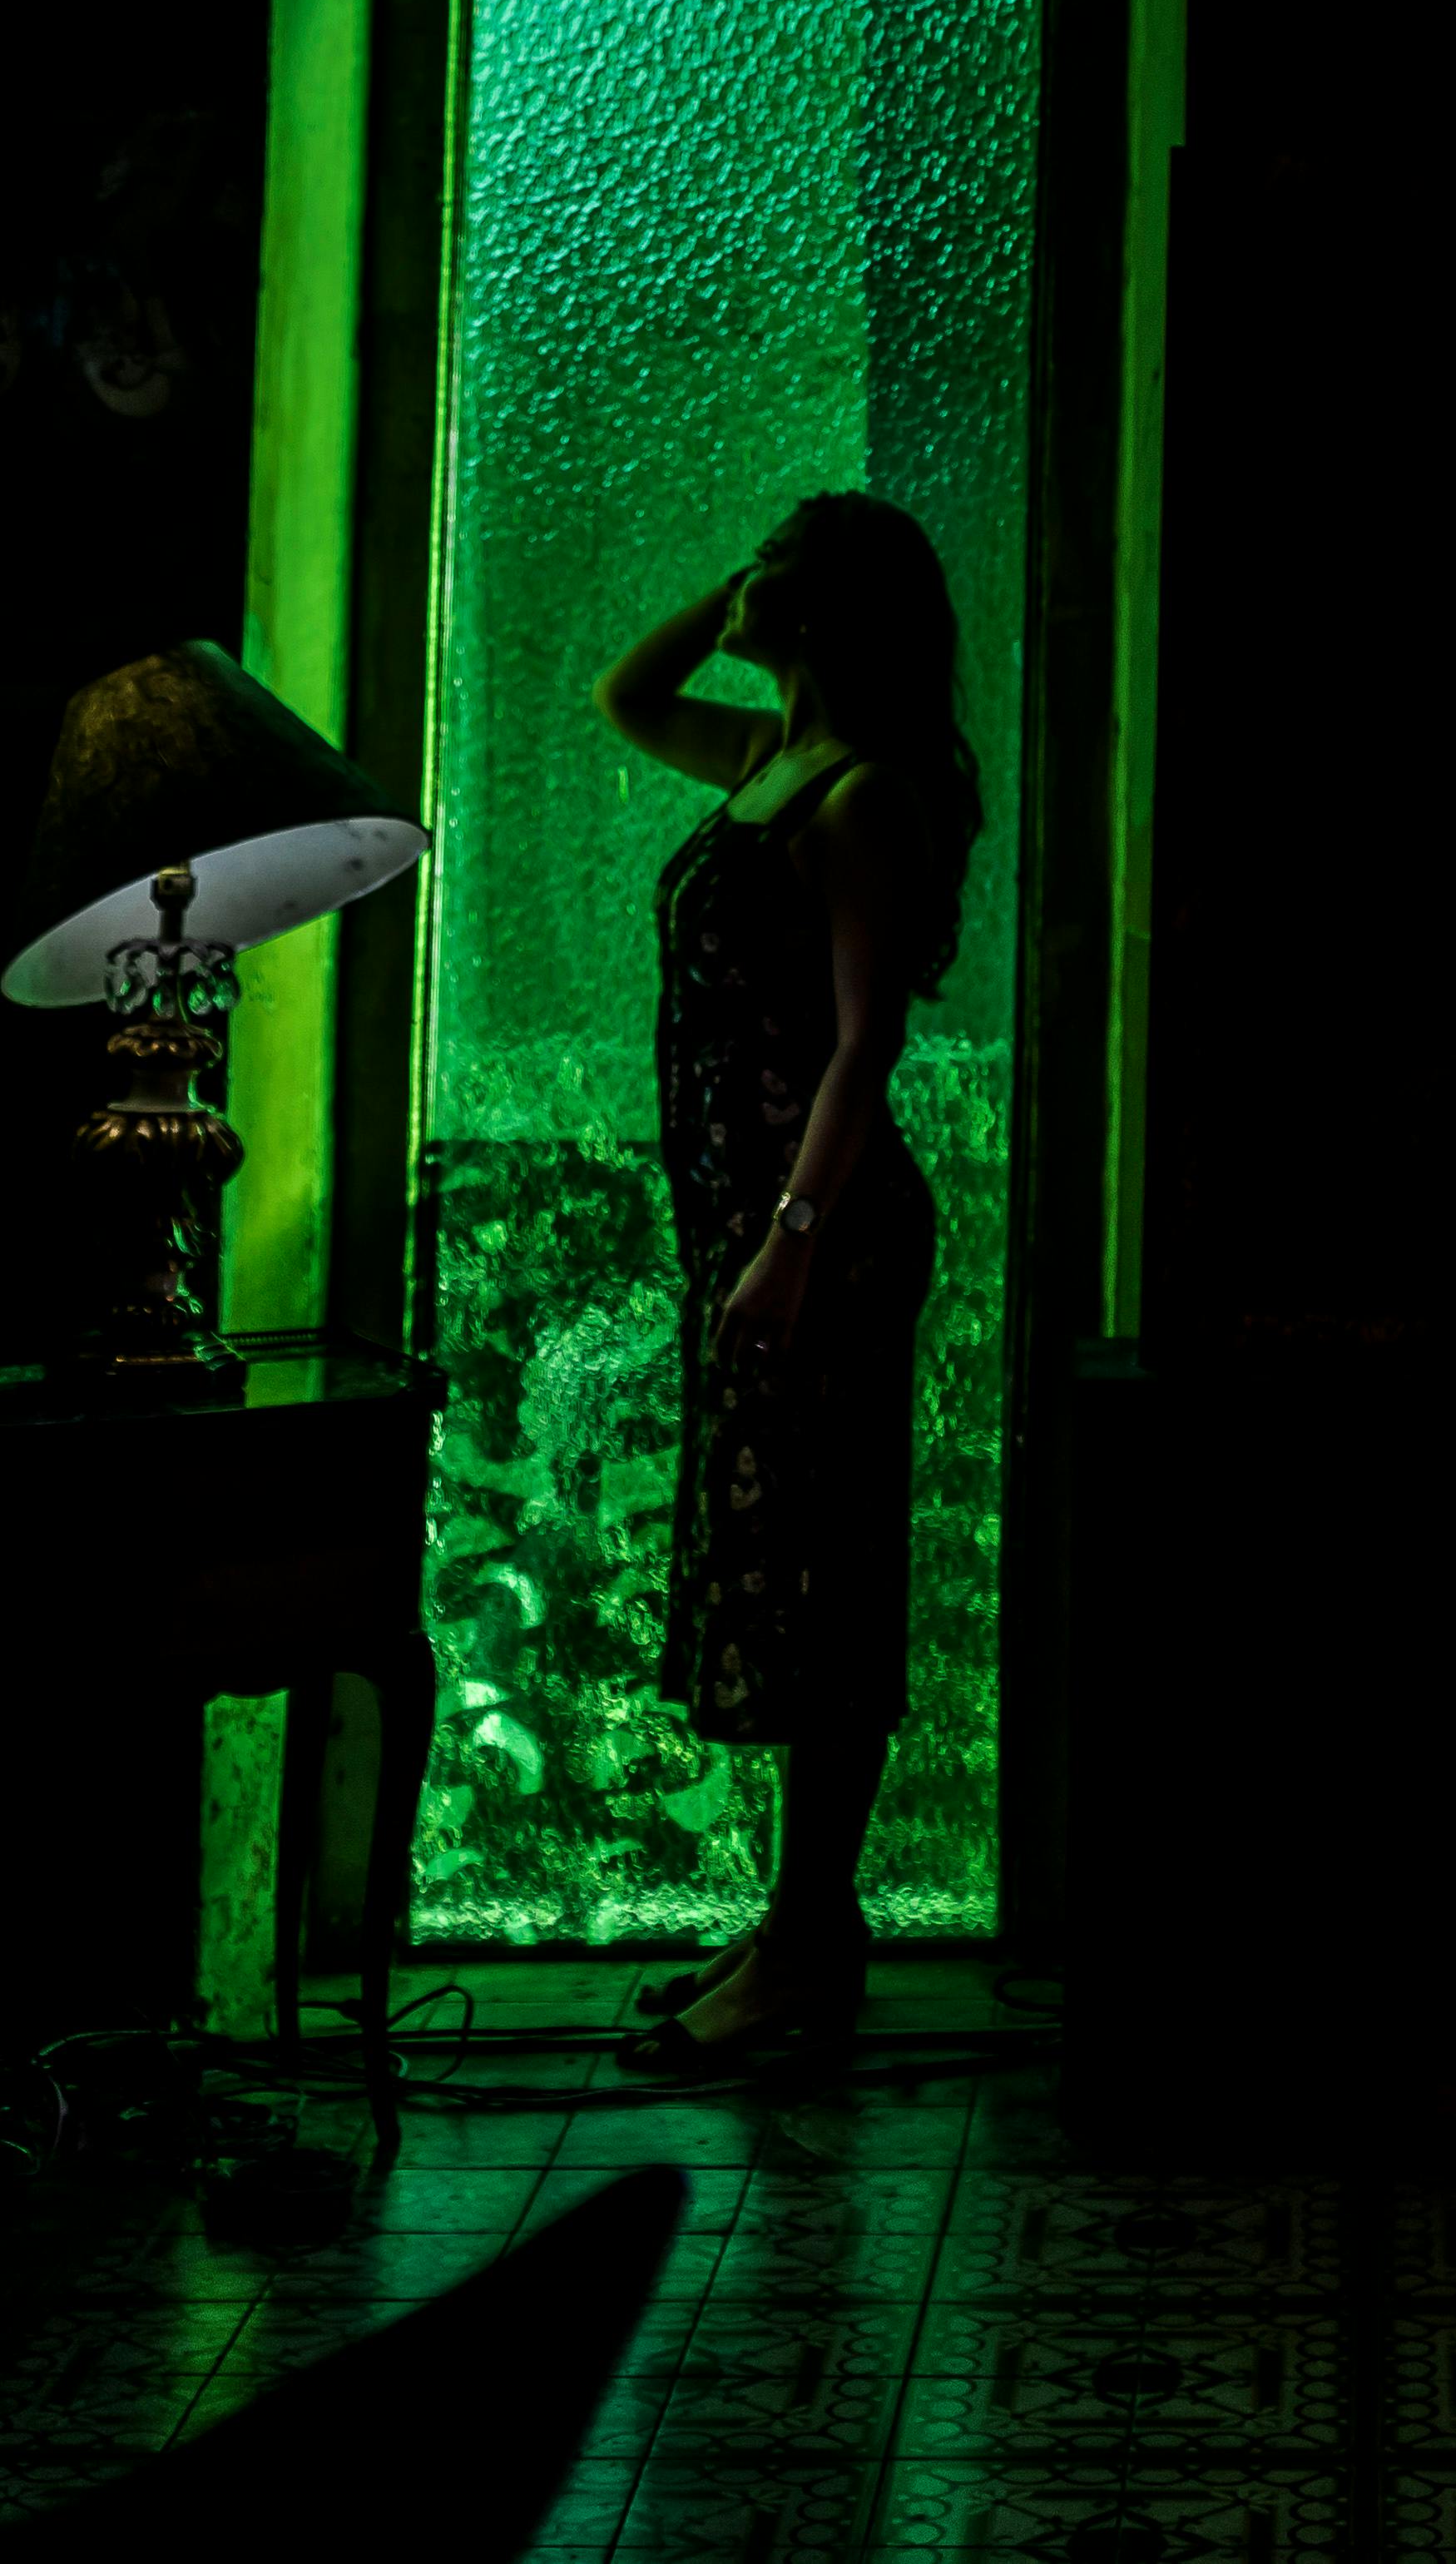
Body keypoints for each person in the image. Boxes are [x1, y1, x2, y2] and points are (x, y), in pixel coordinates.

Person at [592, 492, 980, 2074]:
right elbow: (624, 694)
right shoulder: (771, 760)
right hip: (752, 1240)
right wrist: (738, 588)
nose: (739, 578)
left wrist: (790, 1244)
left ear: (819, 612)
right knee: (775, 1569)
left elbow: (863, 1043)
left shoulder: (864, 795)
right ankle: (797, 1913)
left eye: (771, 564)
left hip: (816, 1239)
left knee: (821, 1576)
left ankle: (812, 1939)